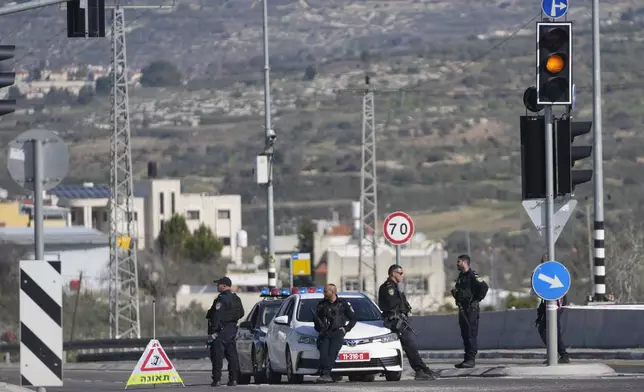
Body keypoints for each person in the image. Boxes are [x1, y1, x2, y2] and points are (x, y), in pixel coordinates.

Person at [378, 264, 438, 380]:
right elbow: (391, 304)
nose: (402, 276)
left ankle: (422, 369)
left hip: (400, 320)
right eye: (400, 273)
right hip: (393, 321)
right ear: (393, 274)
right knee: (409, 345)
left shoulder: (396, 287)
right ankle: (420, 370)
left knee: (410, 345)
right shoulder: (388, 287)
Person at [313, 284, 357, 383]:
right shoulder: (322, 304)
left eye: (325, 291)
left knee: (332, 353)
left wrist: (346, 329)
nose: (323, 293)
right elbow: (316, 320)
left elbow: (353, 318)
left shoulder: (343, 303)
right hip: (325, 333)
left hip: (337, 332)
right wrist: (319, 328)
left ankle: (326, 374)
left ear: (332, 292)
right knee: (324, 353)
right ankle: (325, 374)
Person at [450, 254, 488, 369]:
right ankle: (466, 359)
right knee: (465, 334)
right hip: (462, 308)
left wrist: (476, 300)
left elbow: (484, 287)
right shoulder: (461, 276)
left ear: (464, 262)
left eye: (459, 262)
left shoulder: (472, 275)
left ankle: (471, 359)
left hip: (471, 309)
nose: (457, 264)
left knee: (471, 334)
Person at [206, 277, 245, 387]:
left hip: (220, 331)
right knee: (232, 356)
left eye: (218, 284)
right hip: (232, 330)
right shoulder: (236, 298)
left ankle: (217, 380)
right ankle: (233, 380)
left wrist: (213, 331)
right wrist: (232, 320)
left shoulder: (221, 299)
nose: (217, 286)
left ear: (223, 286)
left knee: (217, 356)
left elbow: (216, 316)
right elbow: (241, 313)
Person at [534, 253, 570, 364]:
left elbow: (556, 293)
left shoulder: (554, 274)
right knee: (544, 329)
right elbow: (544, 296)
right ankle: (555, 354)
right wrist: (540, 313)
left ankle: (562, 354)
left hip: (556, 306)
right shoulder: (545, 275)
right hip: (548, 306)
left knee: (553, 330)